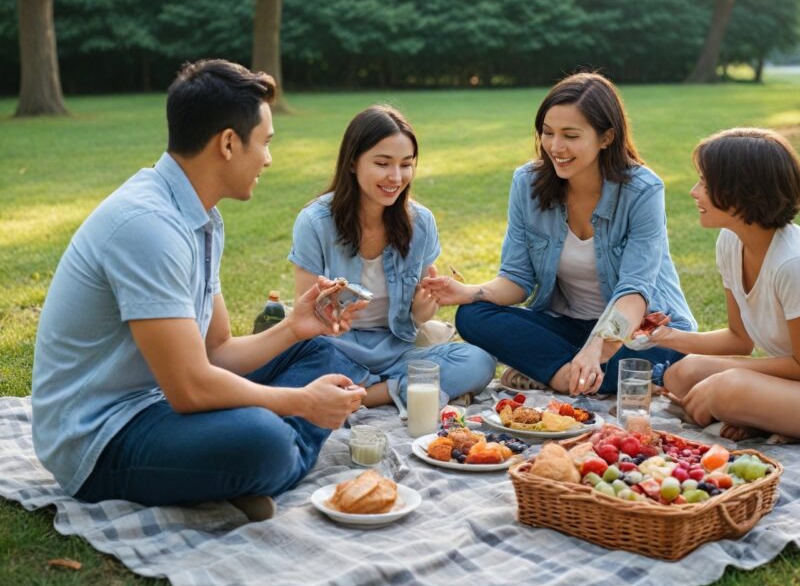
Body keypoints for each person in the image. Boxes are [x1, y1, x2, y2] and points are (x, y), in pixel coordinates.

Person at [32, 60, 368, 520]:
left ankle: (235, 472)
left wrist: (294, 328)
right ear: (229, 143)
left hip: (161, 402)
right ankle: (263, 463)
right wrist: (303, 403)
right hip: (102, 438)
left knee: (329, 356)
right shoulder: (147, 225)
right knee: (263, 440)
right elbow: (190, 388)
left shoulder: (202, 219)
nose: (268, 159)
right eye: (265, 143)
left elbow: (218, 351)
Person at [421, 72, 695, 396]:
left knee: (666, 356)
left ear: (606, 137)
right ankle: (576, 376)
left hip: (636, 330)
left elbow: (634, 293)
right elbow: (517, 278)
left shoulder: (642, 191)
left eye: (570, 135)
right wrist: (470, 292)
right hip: (565, 327)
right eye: (548, 133)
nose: (555, 146)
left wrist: (596, 347)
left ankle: (556, 372)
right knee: (472, 316)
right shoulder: (527, 184)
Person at [651, 128, 800, 442]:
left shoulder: (795, 263)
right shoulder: (729, 243)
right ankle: (754, 417)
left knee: (726, 388)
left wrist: (728, 379)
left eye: (705, 183)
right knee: (683, 373)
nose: (694, 191)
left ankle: (749, 414)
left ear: (741, 192)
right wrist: (667, 338)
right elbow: (739, 340)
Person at [289, 105, 496, 412]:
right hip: (333, 347)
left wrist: (419, 312)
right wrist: (331, 312)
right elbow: (307, 317)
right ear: (352, 162)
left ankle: (370, 394)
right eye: (383, 163)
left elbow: (416, 314)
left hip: (395, 349)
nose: (396, 177)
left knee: (478, 361)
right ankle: (398, 389)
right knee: (294, 366)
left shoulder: (421, 222)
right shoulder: (315, 221)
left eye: (406, 165)